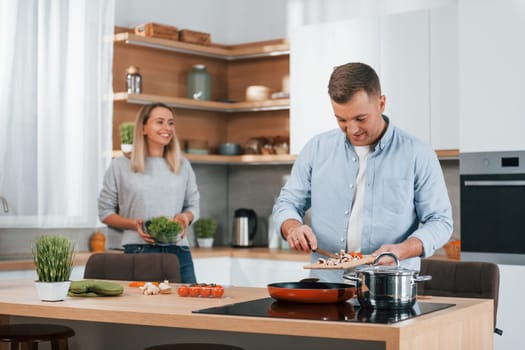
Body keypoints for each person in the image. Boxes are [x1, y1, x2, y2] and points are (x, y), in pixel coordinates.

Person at [272, 62, 453, 282]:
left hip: (389, 287)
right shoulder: (316, 149)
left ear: (382, 103)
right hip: (326, 287)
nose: (352, 129)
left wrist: (402, 250)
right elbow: (287, 203)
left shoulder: (417, 153)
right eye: (342, 120)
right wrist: (293, 227)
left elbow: (441, 221)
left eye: (360, 118)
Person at [98, 102, 200, 283]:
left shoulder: (183, 165)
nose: (167, 128)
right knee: (144, 308)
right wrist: (133, 224)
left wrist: (186, 217)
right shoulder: (120, 166)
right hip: (139, 251)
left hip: (179, 250)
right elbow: (105, 212)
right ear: (143, 127)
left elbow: (193, 205)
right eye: (159, 122)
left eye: (171, 123)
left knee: (188, 307)